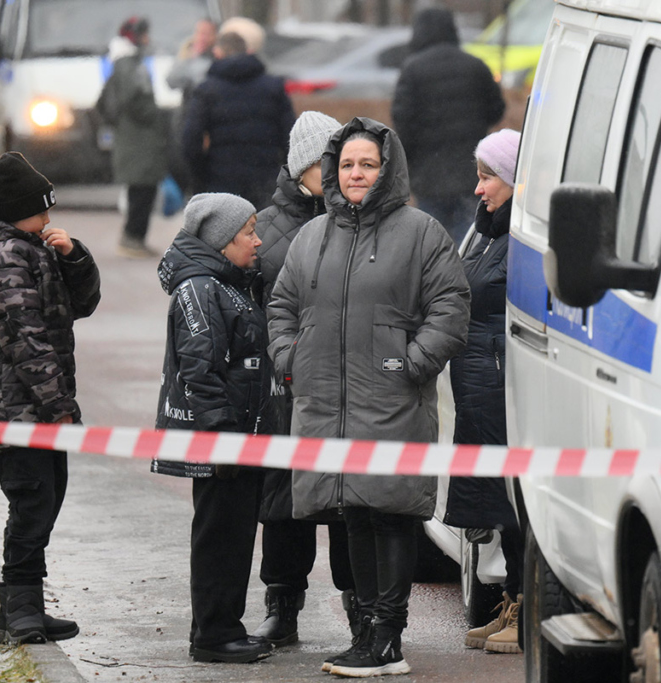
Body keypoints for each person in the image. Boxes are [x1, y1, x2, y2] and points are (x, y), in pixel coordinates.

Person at [268, 117, 471, 677]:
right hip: (326, 405)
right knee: (352, 513)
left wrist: (413, 363)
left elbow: (450, 307)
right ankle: (366, 637)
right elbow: (282, 304)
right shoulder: (314, 236)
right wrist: (291, 360)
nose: (356, 174)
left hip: (392, 399)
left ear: (387, 171)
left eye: (367, 165)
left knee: (391, 513)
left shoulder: (422, 232)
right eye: (347, 165)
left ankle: (389, 637)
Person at [0, 151, 101, 645]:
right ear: (20, 212)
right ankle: (16, 610)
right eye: (43, 212)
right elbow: (27, 340)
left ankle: (28, 606)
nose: (49, 221)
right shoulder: (2, 259)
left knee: (47, 497)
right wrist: (59, 407)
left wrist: (73, 257)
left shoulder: (31, 249)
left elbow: (81, 305)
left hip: (36, 406)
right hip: (15, 410)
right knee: (32, 503)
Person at [151, 192, 275, 664]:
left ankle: (218, 626)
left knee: (234, 533)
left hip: (242, 434)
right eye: (248, 232)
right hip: (224, 440)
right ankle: (215, 633)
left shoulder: (229, 283)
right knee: (220, 536)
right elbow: (199, 370)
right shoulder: (200, 289)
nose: (257, 240)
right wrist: (222, 437)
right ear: (221, 241)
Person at [251, 111, 359, 648]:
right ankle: (282, 605)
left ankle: (359, 608)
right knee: (284, 503)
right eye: (327, 162)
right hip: (285, 390)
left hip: (348, 389)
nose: (338, 171)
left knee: (349, 500)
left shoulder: (362, 221)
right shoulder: (266, 228)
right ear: (302, 169)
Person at [444, 128, 524, 654]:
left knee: (516, 501)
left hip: (504, 387)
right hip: (480, 386)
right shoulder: (486, 231)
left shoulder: (519, 238)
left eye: (488, 176)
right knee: (497, 500)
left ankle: (525, 607)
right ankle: (512, 598)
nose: (479, 189)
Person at [391, 8, 505, 245]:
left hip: (429, 175)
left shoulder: (412, 70)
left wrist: (407, 165)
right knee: (470, 240)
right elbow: (496, 110)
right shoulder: (475, 66)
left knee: (431, 243)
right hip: (470, 172)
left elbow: (403, 123)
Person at [182, 30, 294, 209]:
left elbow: (190, 140)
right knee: (263, 233)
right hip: (266, 181)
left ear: (218, 53)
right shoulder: (273, 88)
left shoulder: (207, 90)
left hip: (221, 181)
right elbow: (290, 138)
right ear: (247, 51)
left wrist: (200, 177)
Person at [96, 16, 169, 259]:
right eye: (144, 34)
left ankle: (135, 237)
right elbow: (134, 99)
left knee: (141, 190)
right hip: (138, 141)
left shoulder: (125, 62)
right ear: (134, 37)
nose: (148, 39)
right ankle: (132, 238)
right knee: (141, 191)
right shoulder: (129, 64)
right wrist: (155, 116)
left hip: (135, 139)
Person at [166, 18, 218, 196]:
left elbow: (203, 82)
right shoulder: (187, 54)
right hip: (188, 121)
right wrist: (189, 59)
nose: (201, 37)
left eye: (206, 33)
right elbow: (171, 81)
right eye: (199, 32)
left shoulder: (218, 57)